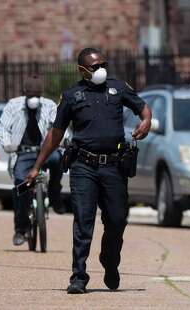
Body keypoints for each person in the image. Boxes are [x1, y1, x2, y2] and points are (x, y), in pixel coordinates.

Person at [25, 48, 152, 294]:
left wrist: (146, 121)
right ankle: (79, 276)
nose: (100, 70)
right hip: (84, 165)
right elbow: (56, 134)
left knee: (117, 220)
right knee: (83, 220)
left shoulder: (118, 87)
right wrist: (37, 166)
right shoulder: (72, 95)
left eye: (103, 64)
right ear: (82, 71)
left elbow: (143, 109)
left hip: (114, 166)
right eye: (94, 67)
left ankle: (109, 260)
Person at [0, 75, 66, 247]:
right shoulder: (13, 105)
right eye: (31, 94)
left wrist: (63, 140)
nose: (34, 98)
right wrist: (7, 144)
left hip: (46, 151)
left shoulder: (49, 105)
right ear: (24, 93)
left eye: (37, 94)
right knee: (21, 184)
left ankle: (55, 192)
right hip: (23, 153)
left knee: (58, 159)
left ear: (41, 94)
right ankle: (21, 229)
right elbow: (4, 127)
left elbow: (59, 127)